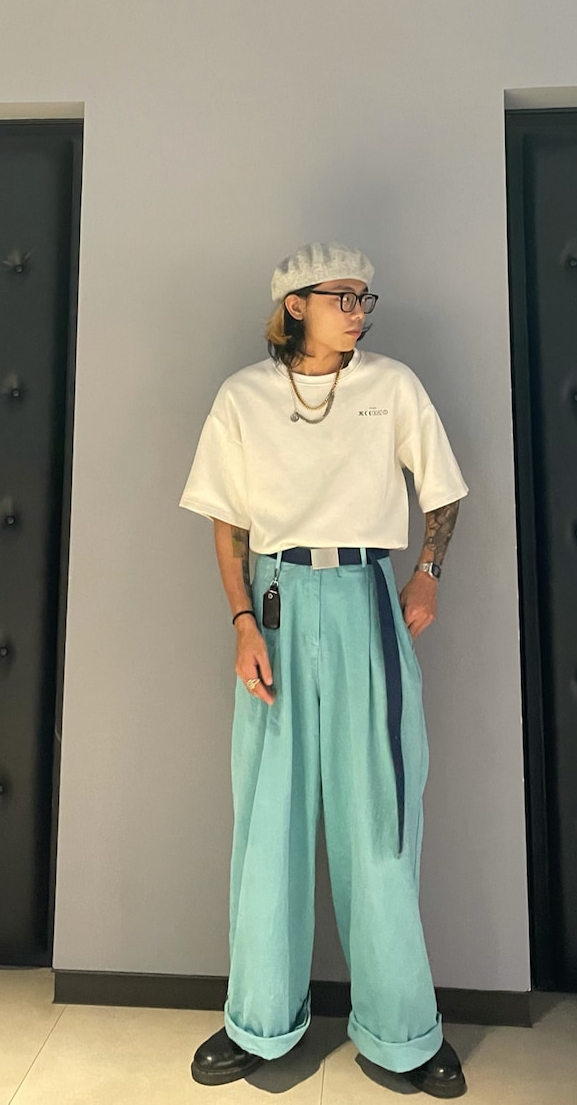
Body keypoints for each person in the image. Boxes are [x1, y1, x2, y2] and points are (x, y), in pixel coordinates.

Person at [179, 241, 469, 1098]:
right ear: (295, 303)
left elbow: (443, 490)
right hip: (274, 603)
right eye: (342, 296)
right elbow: (228, 524)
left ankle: (404, 1032)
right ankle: (258, 1022)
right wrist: (241, 622)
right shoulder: (243, 396)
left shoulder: (392, 386)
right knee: (269, 816)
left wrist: (428, 572)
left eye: (363, 299)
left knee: (379, 815)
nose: (358, 311)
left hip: (364, 599)